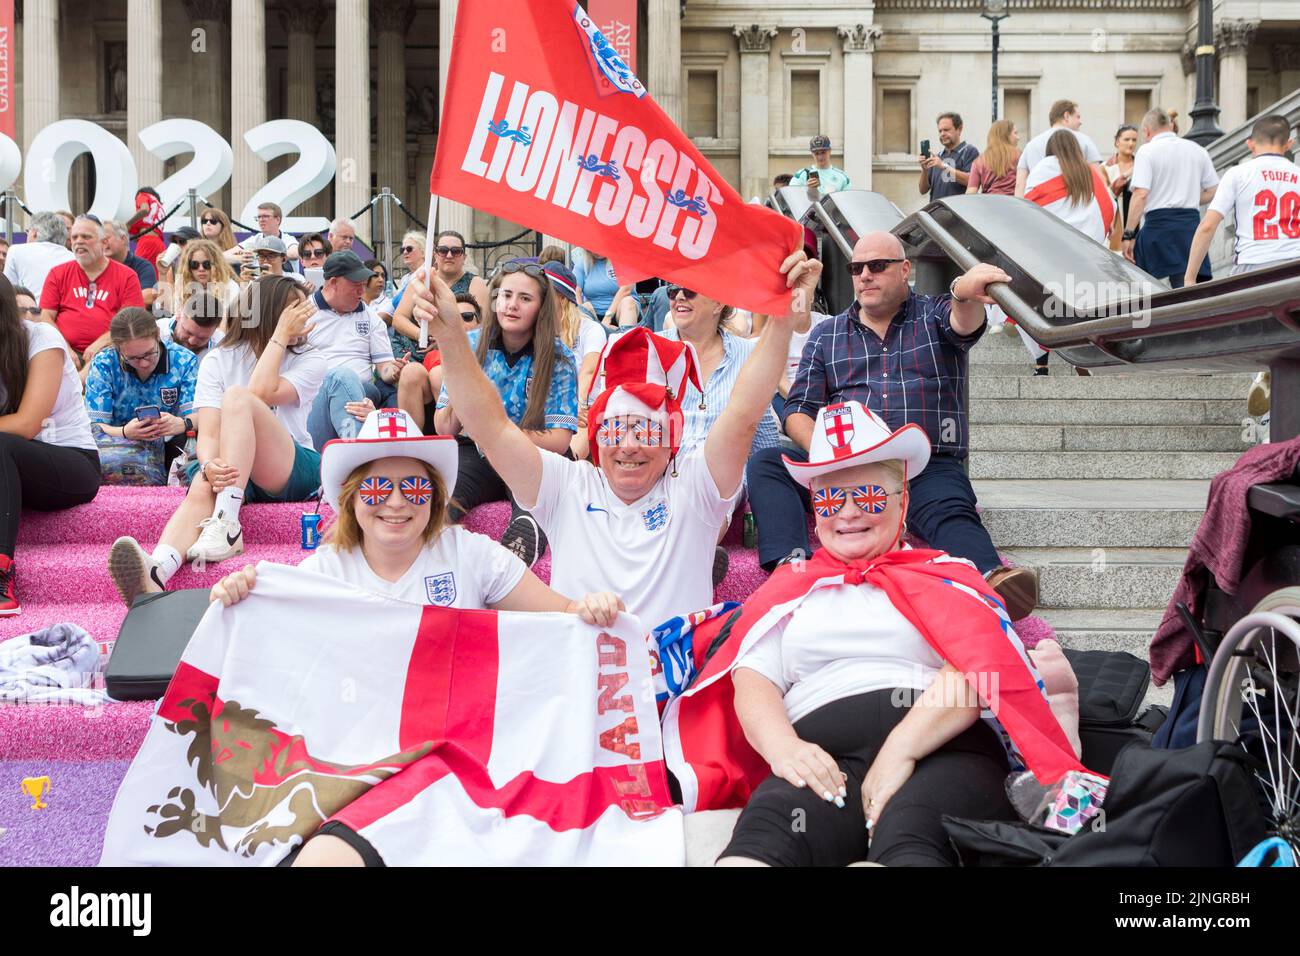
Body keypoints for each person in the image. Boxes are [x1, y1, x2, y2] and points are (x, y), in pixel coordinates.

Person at [205, 405, 624, 867]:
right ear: (351, 496)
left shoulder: (472, 556)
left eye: (415, 486)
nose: (397, 502)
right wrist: (241, 596)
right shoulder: (322, 573)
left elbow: (562, 617)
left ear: (436, 495)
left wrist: (590, 609)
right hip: (360, 771)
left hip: (461, 766)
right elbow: (266, 659)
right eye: (378, 486)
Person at [703, 401, 1092, 866]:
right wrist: (784, 748)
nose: (846, 514)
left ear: (901, 501)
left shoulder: (949, 573)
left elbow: (978, 667)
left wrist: (900, 752)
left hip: (940, 750)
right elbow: (753, 677)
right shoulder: (792, 587)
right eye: (828, 499)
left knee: (909, 841)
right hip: (820, 756)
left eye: (866, 496)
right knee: (760, 846)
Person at [408, 249, 821, 632]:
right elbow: (491, 427)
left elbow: (743, 413)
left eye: (646, 430)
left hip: (670, 694)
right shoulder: (567, 485)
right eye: (614, 429)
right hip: (580, 686)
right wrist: (450, 336)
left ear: (672, 440)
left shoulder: (695, 486)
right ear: (598, 433)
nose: (628, 445)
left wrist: (783, 317)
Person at [745, 231, 1039, 620]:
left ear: (905, 270)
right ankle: (789, 568)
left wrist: (962, 289)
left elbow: (963, 320)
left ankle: (991, 576)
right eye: (857, 268)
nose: (865, 275)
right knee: (768, 462)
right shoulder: (826, 334)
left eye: (877, 266)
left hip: (923, 464)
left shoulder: (934, 315)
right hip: (844, 468)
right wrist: (829, 456)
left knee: (948, 507)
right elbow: (799, 409)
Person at [107, 277, 326, 603]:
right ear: (271, 312)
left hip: (292, 465)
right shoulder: (219, 359)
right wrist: (210, 465)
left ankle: (227, 522)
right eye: (295, 309)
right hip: (236, 471)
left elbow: (260, 393)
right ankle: (158, 570)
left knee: (238, 399)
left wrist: (279, 336)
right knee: (201, 482)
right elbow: (207, 432)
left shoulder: (311, 357)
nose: (306, 316)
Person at [432, 261, 579, 567]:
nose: (512, 305)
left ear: (541, 308)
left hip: (534, 454)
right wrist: (467, 377)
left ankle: (520, 547)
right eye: (506, 295)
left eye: (525, 298)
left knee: (531, 506)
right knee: (442, 502)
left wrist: (499, 436)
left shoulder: (559, 357)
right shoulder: (469, 345)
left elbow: (560, 440)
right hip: (477, 453)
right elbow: (444, 428)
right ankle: (439, 556)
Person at [0, 276, 100, 614]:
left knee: (1, 444)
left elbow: (27, 424)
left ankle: (1, 574)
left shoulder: (42, 338)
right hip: (12, 471)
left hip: (72, 463)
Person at [84, 307, 198, 482]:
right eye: (133, 358)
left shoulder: (183, 360)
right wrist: (124, 431)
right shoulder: (104, 363)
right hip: (117, 448)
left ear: (158, 334)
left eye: (149, 353)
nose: (144, 363)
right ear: (118, 349)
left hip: (171, 445)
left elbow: (203, 417)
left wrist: (182, 423)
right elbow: (94, 427)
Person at [304, 250, 402, 451]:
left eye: (363, 285)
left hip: (364, 391)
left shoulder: (370, 318)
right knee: (339, 377)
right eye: (355, 286)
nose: (361, 292)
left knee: (345, 379)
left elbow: (384, 368)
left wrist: (395, 370)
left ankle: (354, 457)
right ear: (332, 283)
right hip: (314, 396)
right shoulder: (304, 313)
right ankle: (360, 460)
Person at [1184, 113, 1299, 285]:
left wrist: (1190, 278)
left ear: (1250, 144)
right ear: (1290, 143)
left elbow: (1208, 226)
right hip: (1294, 266)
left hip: (1252, 265)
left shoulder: (1237, 174)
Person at [1121, 107, 1219, 287]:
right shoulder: (1197, 150)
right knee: (1186, 290)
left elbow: (1140, 194)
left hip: (1157, 227)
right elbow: (1213, 190)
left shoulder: (1147, 151)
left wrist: (1128, 234)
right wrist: (1187, 196)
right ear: (1171, 125)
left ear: (1147, 131)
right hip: (1189, 228)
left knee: (1141, 289)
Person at [39, 216, 145, 371]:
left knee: (104, 360)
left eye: (86, 237)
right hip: (63, 351)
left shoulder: (127, 276)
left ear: (103, 242)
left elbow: (131, 323)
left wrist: (101, 343)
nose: (79, 241)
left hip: (110, 350)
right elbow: (45, 317)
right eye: (74, 237)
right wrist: (63, 346)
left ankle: (78, 385)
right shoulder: (58, 273)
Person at [543, 262, 608, 461]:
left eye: (543, 291)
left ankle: (569, 465)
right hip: (545, 410)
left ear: (561, 298)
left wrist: (572, 408)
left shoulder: (590, 329)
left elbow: (589, 371)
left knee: (578, 426)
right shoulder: (535, 331)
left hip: (583, 408)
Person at [1025, 130, 1117, 244]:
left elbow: (1029, 205)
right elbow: (1107, 203)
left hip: (1052, 244)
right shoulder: (1088, 171)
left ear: (1050, 148)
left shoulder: (1044, 167)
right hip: (1087, 246)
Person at [1015, 99, 1103, 198]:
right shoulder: (1084, 140)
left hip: (1040, 207)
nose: (1080, 122)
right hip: (1075, 206)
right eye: (1077, 117)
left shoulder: (1030, 145)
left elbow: (1020, 185)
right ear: (1066, 116)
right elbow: (1098, 180)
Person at [160, 238, 240, 317]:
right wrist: (162, 274)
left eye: (206, 264)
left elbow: (226, 323)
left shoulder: (230, 286)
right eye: (194, 264)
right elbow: (168, 310)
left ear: (216, 265)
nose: (201, 269)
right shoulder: (184, 284)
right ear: (188, 267)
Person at [4, 211, 74, 299]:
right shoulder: (74, 258)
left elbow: (7, 291)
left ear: (34, 233)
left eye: (28, 231)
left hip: (29, 310)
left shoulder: (16, 251)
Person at [917, 112, 980, 201]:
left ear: (959, 129)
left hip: (957, 213)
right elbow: (922, 190)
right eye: (940, 131)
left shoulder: (969, 151)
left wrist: (944, 166)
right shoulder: (937, 157)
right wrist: (925, 170)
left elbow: (971, 181)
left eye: (946, 130)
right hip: (935, 213)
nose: (942, 134)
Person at [572, 247, 639, 328]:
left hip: (621, 310)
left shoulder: (623, 260)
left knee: (628, 302)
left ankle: (624, 337)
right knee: (585, 306)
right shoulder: (582, 264)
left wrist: (608, 316)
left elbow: (626, 290)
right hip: (595, 314)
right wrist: (580, 311)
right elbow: (575, 290)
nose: (597, 250)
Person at [102, 219, 159, 307]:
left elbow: (148, 296)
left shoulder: (143, 266)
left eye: (106, 238)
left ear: (123, 239)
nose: (102, 243)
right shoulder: (96, 267)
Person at [157, 290, 226, 362]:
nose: (192, 341)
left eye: (202, 338)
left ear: (214, 331)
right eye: (188, 332)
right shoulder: (156, 332)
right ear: (178, 315)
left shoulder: (222, 346)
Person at [1102, 124, 1139, 250]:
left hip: (1138, 222)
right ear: (1117, 141)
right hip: (1115, 224)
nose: (1131, 143)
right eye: (1127, 139)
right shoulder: (1105, 167)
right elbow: (1105, 196)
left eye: (1134, 140)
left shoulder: (1142, 165)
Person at [966, 118, 1020, 197]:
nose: (1018, 138)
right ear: (1006, 135)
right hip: (1015, 204)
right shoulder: (1019, 155)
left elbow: (971, 192)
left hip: (989, 205)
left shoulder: (979, 161)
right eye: (1015, 133)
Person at [236, 202, 299, 266]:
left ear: (277, 219)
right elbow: (226, 256)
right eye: (259, 217)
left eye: (265, 216)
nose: (261, 220)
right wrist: (243, 257)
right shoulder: (255, 239)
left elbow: (295, 253)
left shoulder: (288, 239)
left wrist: (260, 255)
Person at [126, 187, 167, 268]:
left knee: (137, 273)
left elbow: (144, 209)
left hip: (147, 242)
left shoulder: (142, 195)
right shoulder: (159, 208)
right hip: (160, 245)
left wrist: (127, 224)